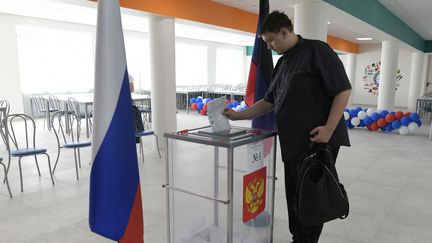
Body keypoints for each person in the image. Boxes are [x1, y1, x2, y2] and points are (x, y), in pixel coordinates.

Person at [223, 11, 351, 243]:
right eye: (266, 42)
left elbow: (343, 90)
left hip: (317, 141)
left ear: (285, 31)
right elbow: (269, 101)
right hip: (292, 142)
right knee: (294, 194)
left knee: (310, 197)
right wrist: (238, 115)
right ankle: (298, 238)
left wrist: (329, 130)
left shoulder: (317, 51)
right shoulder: (283, 63)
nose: (270, 46)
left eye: (271, 40)